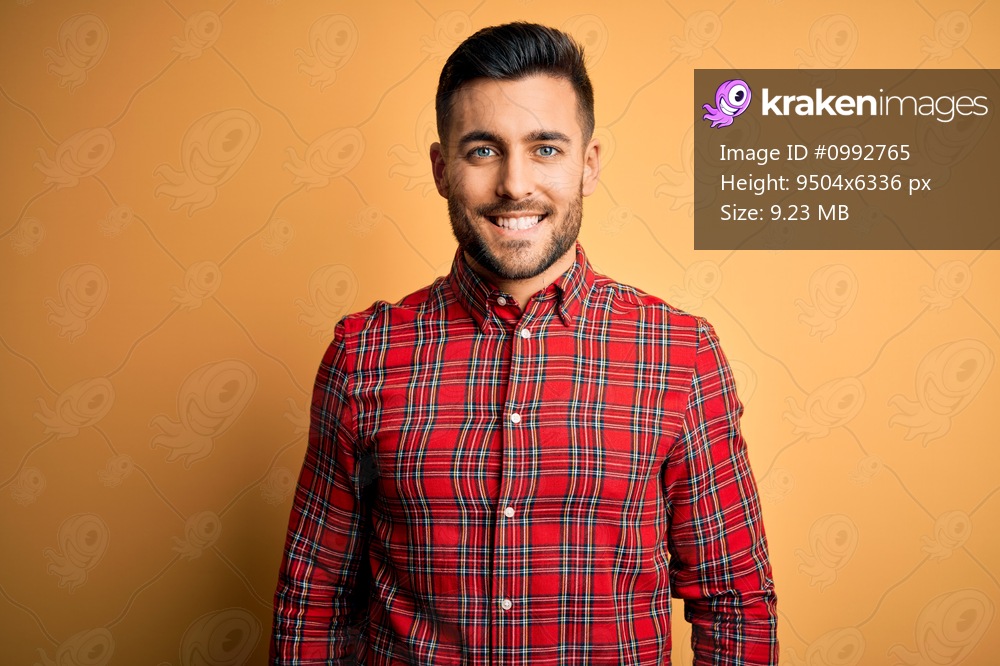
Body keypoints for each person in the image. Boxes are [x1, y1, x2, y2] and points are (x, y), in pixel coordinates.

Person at [271, 22, 777, 665]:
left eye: (545, 149)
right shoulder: (363, 355)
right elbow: (314, 602)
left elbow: (734, 604)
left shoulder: (680, 354)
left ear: (587, 165)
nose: (515, 184)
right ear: (441, 168)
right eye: (483, 150)